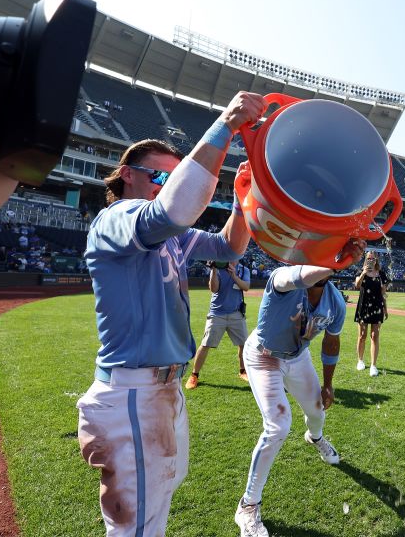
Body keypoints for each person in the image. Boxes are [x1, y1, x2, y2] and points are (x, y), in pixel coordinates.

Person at [75, 91, 265, 536]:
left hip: (163, 387)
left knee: (158, 500)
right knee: (137, 525)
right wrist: (225, 125)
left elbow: (231, 247)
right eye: (157, 175)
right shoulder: (117, 216)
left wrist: (240, 199)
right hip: (134, 393)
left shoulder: (173, 236)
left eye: (172, 176)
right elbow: (176, 208)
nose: (165, 183)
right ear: (126, 175)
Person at [234, 247, 363, 537]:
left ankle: (315, 438)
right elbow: (303, 275)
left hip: (297, 356)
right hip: (264, 355)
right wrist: (334, 260)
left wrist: (328, 384)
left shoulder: (335, 303)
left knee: (317, 411)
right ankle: (248, 506)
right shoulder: (283, 278)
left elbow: (331, 343)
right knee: (278, 424)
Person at [185, 259, 252, 388]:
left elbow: (246, 287)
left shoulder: (244, 269)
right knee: (205, 344)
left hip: (236, 313)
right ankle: (194, 375)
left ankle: (243, 371)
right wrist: (214, 271)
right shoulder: (218, 267)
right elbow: (214, 289)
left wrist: (234, 276)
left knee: (243, 344)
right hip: (217, 313)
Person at [353, 251, 390, 376]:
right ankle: (360, 360)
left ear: (377, 260)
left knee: (375, 336)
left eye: (373, 258)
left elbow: (383, 293)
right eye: (369, 258)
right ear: (366, 259)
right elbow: (357, 285)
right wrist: (364, 272)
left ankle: (373, 366)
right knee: (362, 335)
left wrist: (385, 308)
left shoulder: (381, 274)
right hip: (363, 305)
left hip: (377, 306)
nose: (371, 260)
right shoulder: (360, 271)